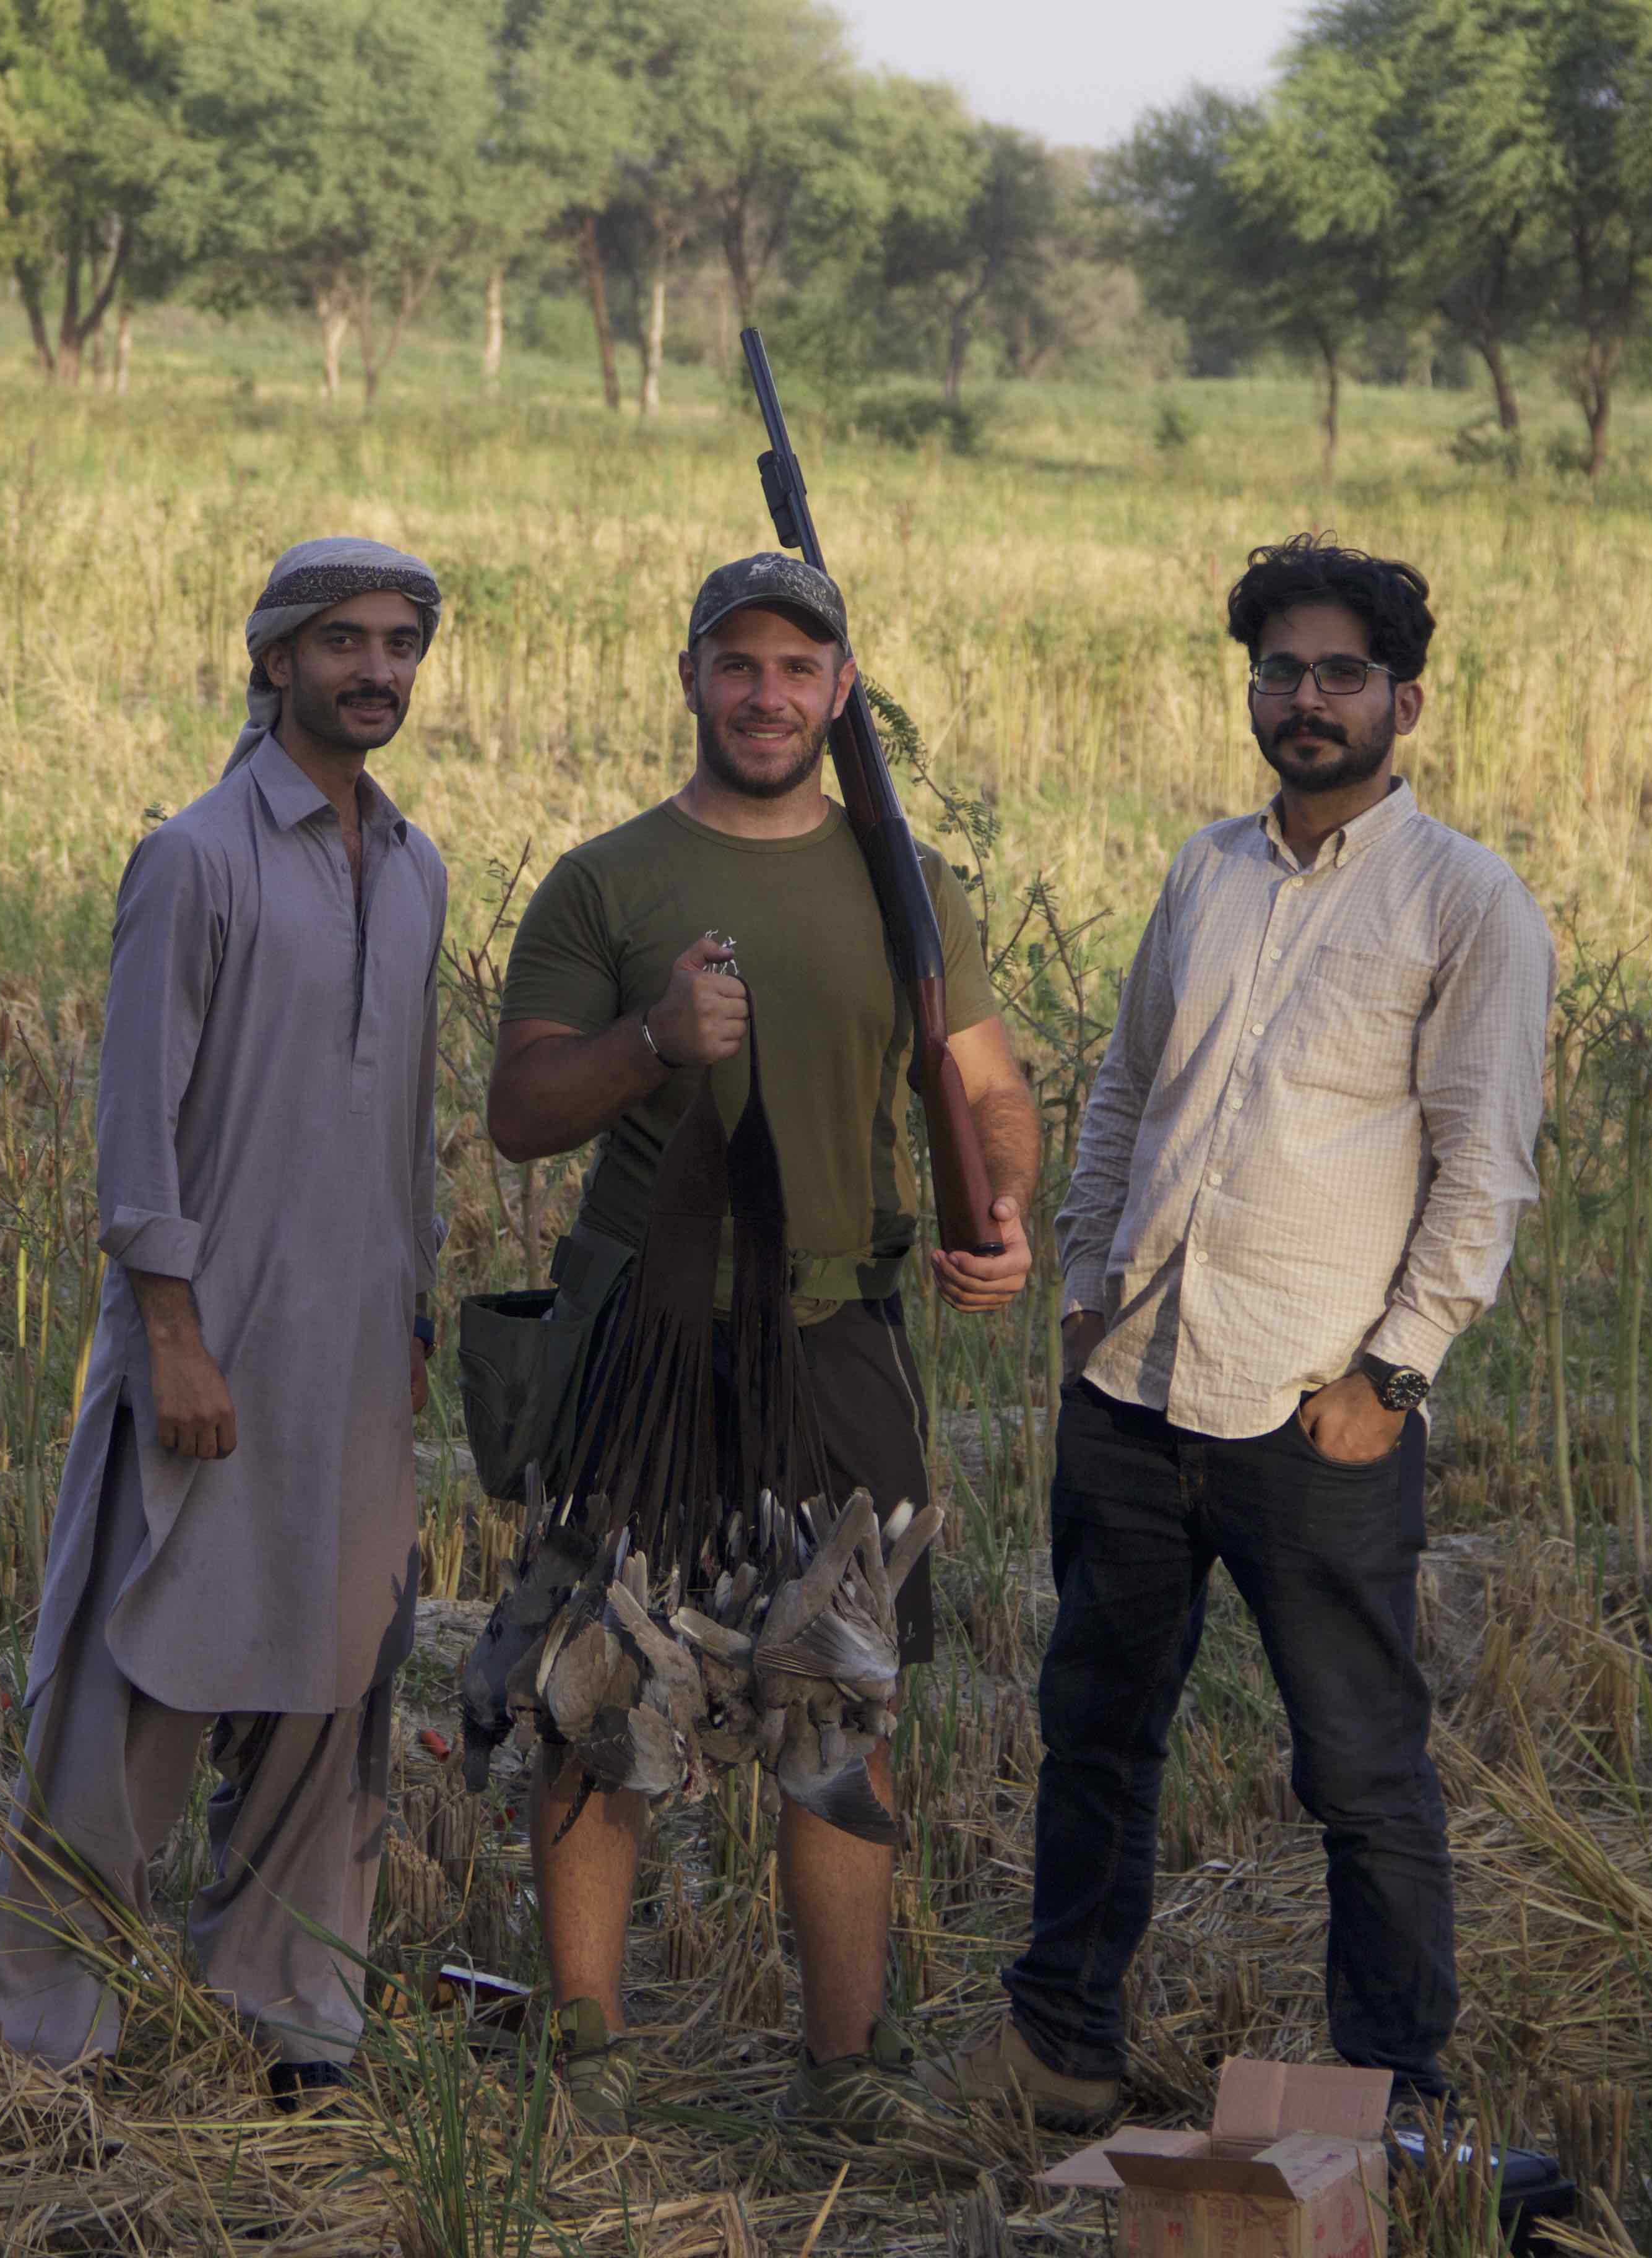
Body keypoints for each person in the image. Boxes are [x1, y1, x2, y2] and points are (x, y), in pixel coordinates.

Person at [925, 535, 1554, 2129]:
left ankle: (1392, 2096)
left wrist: (1390, 1378)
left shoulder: (1466, 903)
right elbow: (1129, 1089)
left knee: (1361, 1771)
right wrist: (1082, 1280)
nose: (1307, 698)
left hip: (1309, 1407)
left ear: (1406, 697)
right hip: (1135, 1385)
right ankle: (1058, 2050)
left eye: (1342, 672)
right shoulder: (1207, 871)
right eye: (1281, 671)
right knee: (1094, 1734)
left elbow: (1484, 1167)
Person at [487, 553, 1042, 2137]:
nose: (768, 694)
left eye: (801, 669)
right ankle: (583, 2048)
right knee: (602, 1690)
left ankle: (846, 2070)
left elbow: (987, 1083)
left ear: (841, 693)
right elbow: (521, 1114)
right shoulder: (606, 882)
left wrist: (997, 1206)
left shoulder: (906, 882)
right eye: (739, 664)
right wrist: (650, 1041)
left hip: (838, 1330)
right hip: (647, 1348)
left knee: (841, 1699)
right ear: (690, 679)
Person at [0, 537, 448, 2111]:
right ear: (272, 661)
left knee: (335, 1677)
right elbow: (138, 1129)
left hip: (357, 1349)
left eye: (397, 643)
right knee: (138, 1670)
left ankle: (294, 2006)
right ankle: (50, 2022)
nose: (373, 669)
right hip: (213, 1340)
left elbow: (412, 1129)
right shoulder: (196, 857)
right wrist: (171, 1334)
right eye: (341, 642)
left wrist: (416, 1320)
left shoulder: (420, 864)